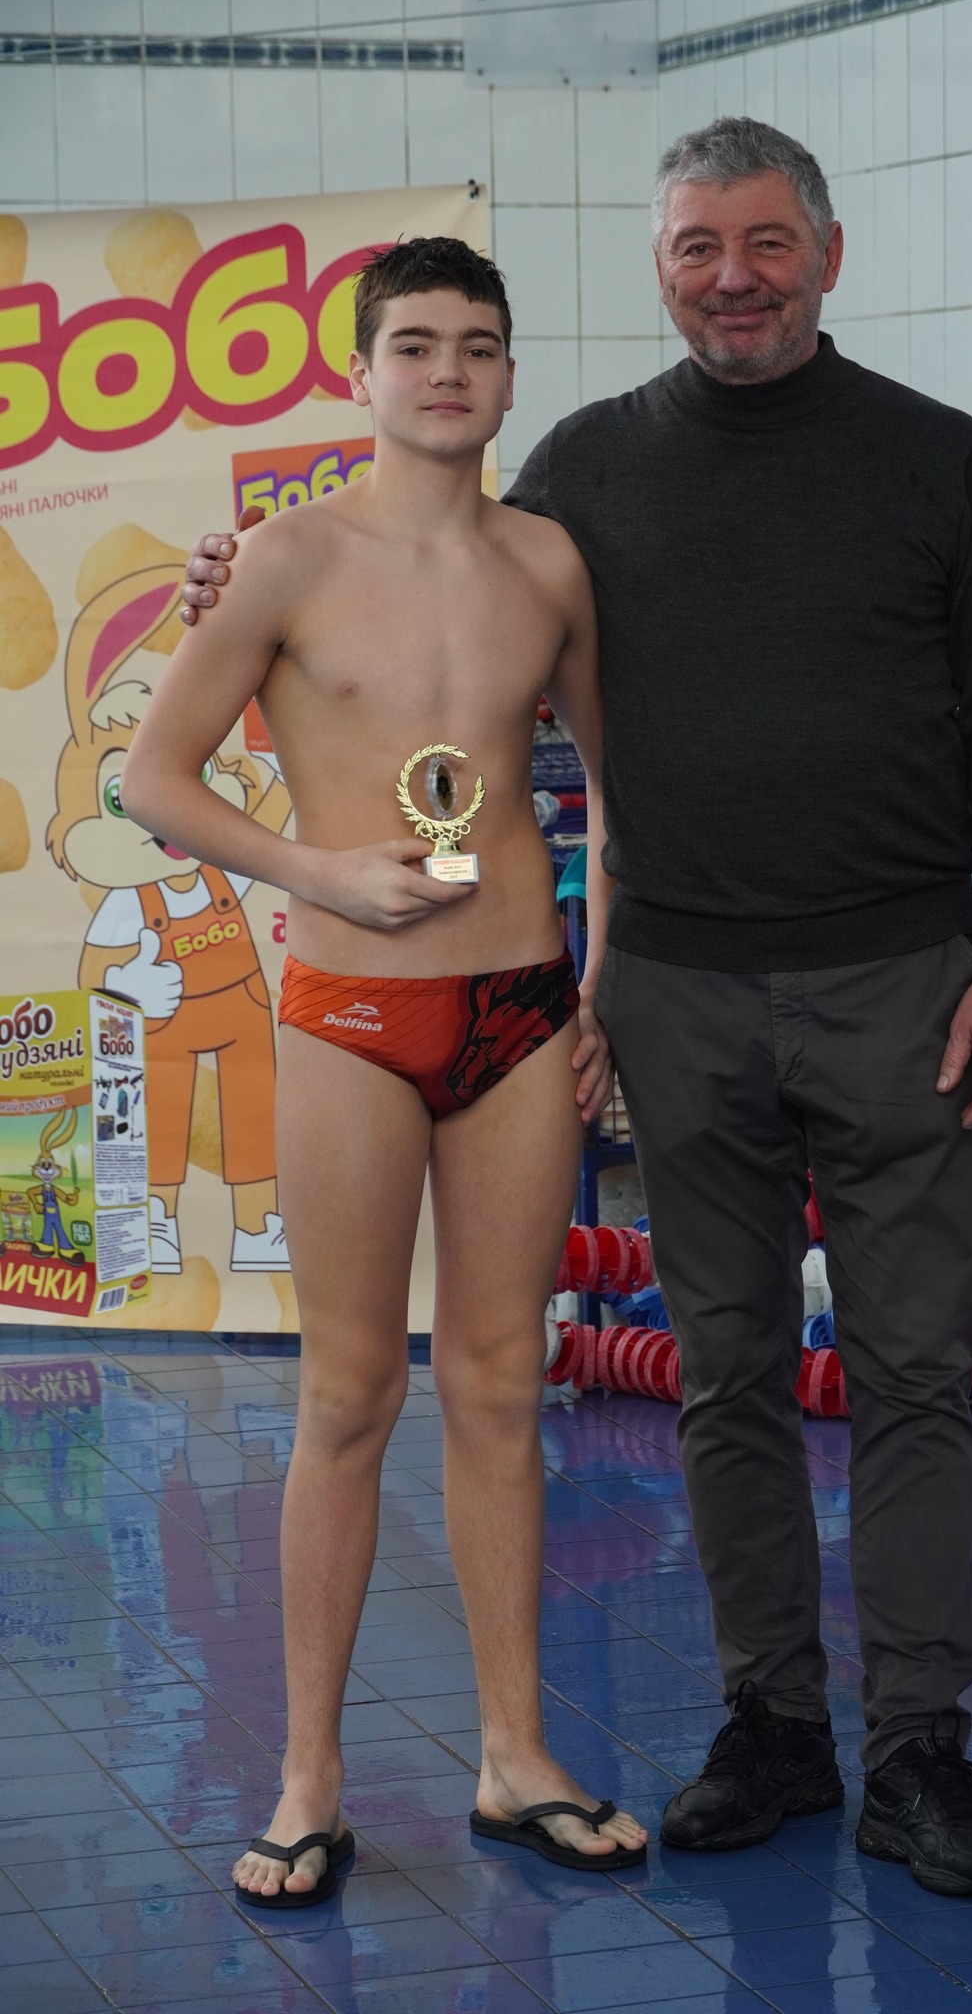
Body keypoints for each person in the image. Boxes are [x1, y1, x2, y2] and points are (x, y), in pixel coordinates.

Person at [179, 120, 972, 1900]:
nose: (732, 277)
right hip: (646, 996)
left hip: (869, 981)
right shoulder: (586, 469)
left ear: (827, 253)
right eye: (694, 248)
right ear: (656, 267)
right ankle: (766, 1726)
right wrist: (239, 594)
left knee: (899, 1371)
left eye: (765, 243)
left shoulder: (928, 458)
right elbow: (400, 579)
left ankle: (911, 1751)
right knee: (711, 1373)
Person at [128, 236, 647, 1906]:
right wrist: (318, 875)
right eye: (414, 344)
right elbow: (153, 777)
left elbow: (617, 794)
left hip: (518, 1010)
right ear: (360, 373)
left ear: (510, 377)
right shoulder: (285, 558)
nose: (446, 372)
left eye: (477, 346)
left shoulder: (549, 563)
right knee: (348, 1393)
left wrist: (597, 988)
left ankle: (514, 1756)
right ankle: (308, 1780)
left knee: (501, 1386)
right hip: (351, 1011)